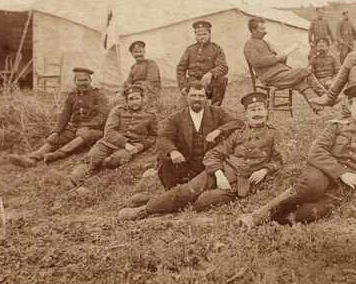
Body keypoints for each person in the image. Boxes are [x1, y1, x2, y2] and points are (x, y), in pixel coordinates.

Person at [240, 84, 356, 227]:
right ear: (350, 106)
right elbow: (316, 151)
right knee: (312, 186)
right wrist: (342, 172)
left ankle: (279, 218)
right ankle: (257, 216)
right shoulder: (336, 126)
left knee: (313, 212)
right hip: (322, 171)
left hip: (347, 184)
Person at [119, 91, 283, 220]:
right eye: (252, 110)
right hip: (221, 171)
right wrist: (219, 174)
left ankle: (157, 201)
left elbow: (279, 159)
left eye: (260, 109)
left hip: (241, 182)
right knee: (188, 190)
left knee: (201, 202)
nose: (256, 114)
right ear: (246, 114)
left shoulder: (275, 134)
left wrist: (265, 170)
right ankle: (145, 210)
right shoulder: (238, 133)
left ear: (266, 112)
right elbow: (213, 154)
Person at [144, 80, 243, 191]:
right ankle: (172, 191)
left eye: (201, 96)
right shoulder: (176, 117)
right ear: (187, 97)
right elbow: (164, 137)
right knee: (165, 159)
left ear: (206, 98)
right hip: (186, 163)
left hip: (209, 162)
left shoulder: (216, 112)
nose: (197, 99)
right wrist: (173, 151)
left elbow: (237, 122)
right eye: (193, 95)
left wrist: (219, 131)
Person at [7, 67, 109, 166]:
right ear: (75, 81)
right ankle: (32, 158)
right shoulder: (72, 96)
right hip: (75, 127)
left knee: (84, 135)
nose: (83, 83)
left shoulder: (99, 94)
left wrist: (87, 125)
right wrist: (56, 131)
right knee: (55, 137)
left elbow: (103, 116)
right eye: (79, 80)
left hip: (94, 130)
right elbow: (64, 116)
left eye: (85, 80)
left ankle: (58, 155)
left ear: (90, 80)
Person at [63, 84, 158, 186]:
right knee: (92, 158)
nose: (134, 102)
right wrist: (125, 144)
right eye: (131, 99)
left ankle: (98, 171)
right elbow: (109, 131)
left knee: (113, 161)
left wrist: (140, 146)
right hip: (108, 143)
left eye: (137, 98)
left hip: (130, 147)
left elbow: (153, 136)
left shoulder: (150, 115)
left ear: (142, 99)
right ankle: (73, 180)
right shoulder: (118, 110)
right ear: (126, 100)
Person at [243, 17, 326, 112]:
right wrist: (277, 58)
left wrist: (283, 57)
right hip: (270, 77)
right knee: (305, 71)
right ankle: (326, 96)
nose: (265, 32)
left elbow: (277, 61)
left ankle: (317, 107)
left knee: (301, 83)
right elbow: (257, 62)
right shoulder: (249, 45)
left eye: (265, 29)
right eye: (262, 29)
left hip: (280, 73)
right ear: (253, 30)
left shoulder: (265, 42)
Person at [175, 20, 228, 106]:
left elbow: (223, 67)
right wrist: (183, 86)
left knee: (222, 80)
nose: (202, 37)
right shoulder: (190, 50)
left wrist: (211, 73)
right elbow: (180, 68)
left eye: (204, 34)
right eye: (199, 35)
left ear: (209, 34)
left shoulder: (216, 49)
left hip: (209, 84)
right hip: (192, 84)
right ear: (195, 35)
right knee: (181, 109)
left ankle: (215, 108)